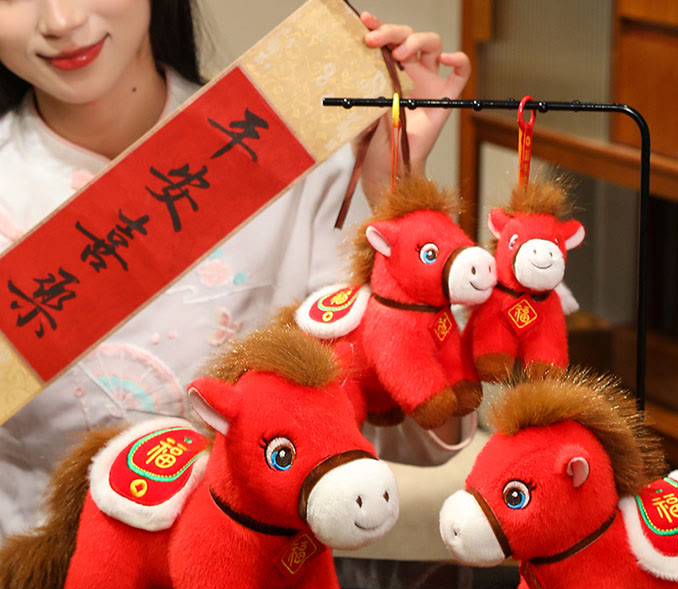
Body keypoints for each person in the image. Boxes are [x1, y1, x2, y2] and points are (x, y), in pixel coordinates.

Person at [0, 0, 472, 539]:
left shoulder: (289, 151)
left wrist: (394, 186)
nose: (60, 21)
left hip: (270, 582)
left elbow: (420, 427)